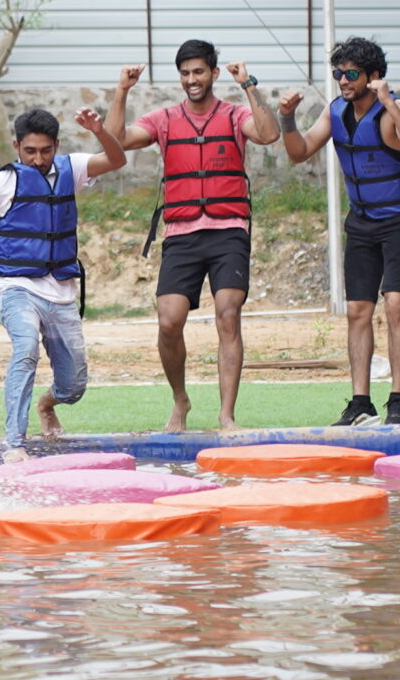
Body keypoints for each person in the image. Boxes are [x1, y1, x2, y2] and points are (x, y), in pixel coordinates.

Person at [108, 39, 283, 432]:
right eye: (185, 73)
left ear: (214, 74)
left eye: (199, 71)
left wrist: (248, 84)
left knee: (228, 314)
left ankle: (226, 415)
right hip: (182, 234)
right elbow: (116, 140)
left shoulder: (236, 114)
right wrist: (122, 90)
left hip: (228, 232)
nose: (192, 79)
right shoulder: (165, 119)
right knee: (169, 321)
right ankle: (180, 399)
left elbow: (269, 133)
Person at [0, 107, 126, 453]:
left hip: (61, 291)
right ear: (17, 146)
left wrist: (100, 132)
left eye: (46, 150)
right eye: (30, 151)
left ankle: (48, 404)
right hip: (17, 288)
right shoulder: (1, 182)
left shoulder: (71, 169)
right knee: (25, 348)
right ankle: (15, 443)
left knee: (73, 386)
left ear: (56, 145)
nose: (38, 159)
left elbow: (117, 160)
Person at [284, 35, 400, 426]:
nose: (343, 81)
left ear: (374, 76)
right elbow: (299, 153)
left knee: (396, 303)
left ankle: (398, 400)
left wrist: (389, 104)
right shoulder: (335, 112)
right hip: (362, 223)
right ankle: (360, 402)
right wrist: (286, 119)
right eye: (338, 73)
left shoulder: (395, 109)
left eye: (351, 74)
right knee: (357, 311)